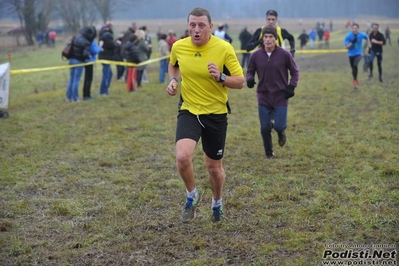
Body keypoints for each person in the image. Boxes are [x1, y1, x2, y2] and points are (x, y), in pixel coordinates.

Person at [166, 7, 244, 223]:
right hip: (189, 109)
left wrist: (221, 77)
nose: (196, 30)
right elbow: (173, 66)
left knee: (214, 168)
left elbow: (239, 81)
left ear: (210, 27)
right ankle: (191, 195)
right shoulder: (179, 46)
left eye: (201, 25)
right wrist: (173, 81)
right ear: (188, 26)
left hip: (215, 113)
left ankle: (217, 202)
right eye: (192, 25)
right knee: (182, 157)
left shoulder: (224, 48)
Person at [246, 25, 299, 160]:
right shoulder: (256, 55)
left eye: (271, 37)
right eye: (265, 37)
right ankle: (269, 153)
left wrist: (291, 87)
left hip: (281, 95)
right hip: (263, 95)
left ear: (276, 39)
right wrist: (250, 79)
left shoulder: (284, 54)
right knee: (264, 128)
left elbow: (295, 72)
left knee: (279, 125)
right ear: (262, 38)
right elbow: (250, 71)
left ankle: (281, 132)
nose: (268, 39)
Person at [66, 26, 96, 102]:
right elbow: (85, 54)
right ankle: (75, 98)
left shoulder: (76, 37)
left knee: (71, 79)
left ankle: (68, 97)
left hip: (71, 60)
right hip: (79, 61)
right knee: (76, 80)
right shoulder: (87, 42)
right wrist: (89, 55)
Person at [344, 23, 370, 89]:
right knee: (353, 68)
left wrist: (368, 46)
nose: (354, 30)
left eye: (356, 28)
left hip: (359, 53)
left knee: (355, 65)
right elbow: (346, 47)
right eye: (353, 28)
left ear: (358, 29)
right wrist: (352, 42)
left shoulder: (361, 34)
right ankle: (355, 79)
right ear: (351, 29)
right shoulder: (348, 36)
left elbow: (367, 37)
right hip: (351, 54)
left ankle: (355, 82)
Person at [98, 23, 121, 96]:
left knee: (109, 74)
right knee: (106, 74)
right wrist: (117, 43)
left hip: (103, 56)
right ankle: (103, 91)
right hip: (106, 57)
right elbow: (111, 45)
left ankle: (105, 90)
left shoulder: (102, 35)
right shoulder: (107, 35)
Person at [83, 26, 103, 100]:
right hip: (90, 61)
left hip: (85, 60)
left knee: (86, 78)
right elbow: (95, 51)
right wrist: (100, 46)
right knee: (89, 78)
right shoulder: (92, 40)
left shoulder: (85, 39)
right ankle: (87, 95)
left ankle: (85, 94)